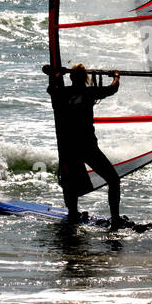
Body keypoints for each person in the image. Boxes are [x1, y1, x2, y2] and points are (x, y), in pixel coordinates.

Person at [44, 63, 130, 229]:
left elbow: (51, 89)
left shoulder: (62, 92)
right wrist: (116, 76)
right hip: (87, 146)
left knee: (70, 183)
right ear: (85, 78)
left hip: (69, 146)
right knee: (113, 180)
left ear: (71, 77)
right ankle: (115, 218)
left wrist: (55, 74)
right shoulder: (89, 92)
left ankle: (73, 213)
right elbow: (113, 89)